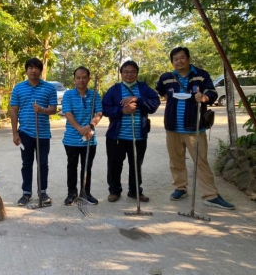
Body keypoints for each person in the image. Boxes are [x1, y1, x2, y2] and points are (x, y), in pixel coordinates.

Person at [156, 47, 235, 209]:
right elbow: (160, 92)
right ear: (172, 62)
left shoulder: (201, 75)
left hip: (195, 128)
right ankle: (180, 188)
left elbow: (212, 93)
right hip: (172, 128)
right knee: (176, 160)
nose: (179, 61)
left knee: (201, 162)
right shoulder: (166, 78)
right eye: (176, 59)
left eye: (182, 58)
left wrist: (204, 97)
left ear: (188, 59)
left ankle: (210, 195)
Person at [102, 61, 160, 203]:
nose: (129, 74)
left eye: (133, 71)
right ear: (121, 73)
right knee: (114, 165)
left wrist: (137, 99)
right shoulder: (114, 90)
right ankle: (114, 191)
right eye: (126, 71)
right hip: (116, 136)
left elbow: (154, 105)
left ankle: (135, 191)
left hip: (138, 136)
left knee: (136, 165)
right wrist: (123, 110)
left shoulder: (144, 88)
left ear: (137, 73)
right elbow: (105, 109)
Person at [10, 57, 58, 206]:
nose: (33, 70)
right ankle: (27, 193)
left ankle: (42, 192)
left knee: (43, 163)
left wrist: (42, 110)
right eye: (30, 67)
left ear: (40, 70)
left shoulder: (49, 88)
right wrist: (14, 133)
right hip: (25, 132)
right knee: (27, 164)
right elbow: (14, 110)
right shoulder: (18, 88)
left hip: (43, 133)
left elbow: (53, 109)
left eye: (36, 67)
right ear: (26, 70)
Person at [62, 66, 103, 206]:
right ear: (74, 79)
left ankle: (85, 192)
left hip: (90, 139)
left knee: (87, 167)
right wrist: (81, 129)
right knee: (72, 166)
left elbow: (99, 113)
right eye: (78, 77)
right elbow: (68, 113)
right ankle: (71, 193)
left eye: (84, 77)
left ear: (89, 79)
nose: (81, 80)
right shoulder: (68, 95)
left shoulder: (95, 95)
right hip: (71, 139)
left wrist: (90, 126)